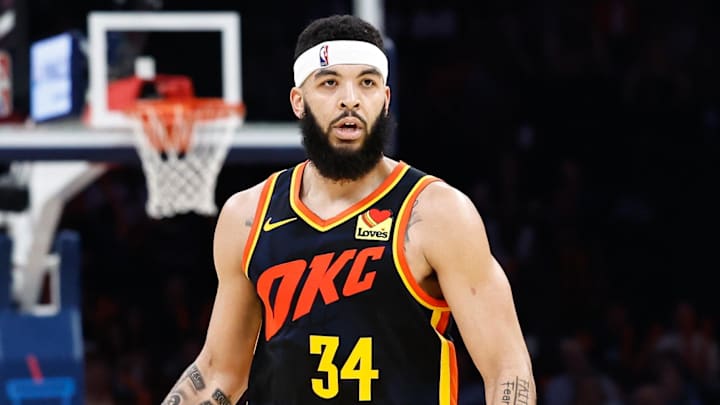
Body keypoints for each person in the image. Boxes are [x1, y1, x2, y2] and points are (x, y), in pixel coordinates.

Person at [161, 14, 536, 405]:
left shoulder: (437, 212)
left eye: (368, 82)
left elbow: (506, 368)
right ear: (298, 102)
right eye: (329, 83)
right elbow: (219, 372)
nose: (350, 98)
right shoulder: (248, 216)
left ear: (385, 100)